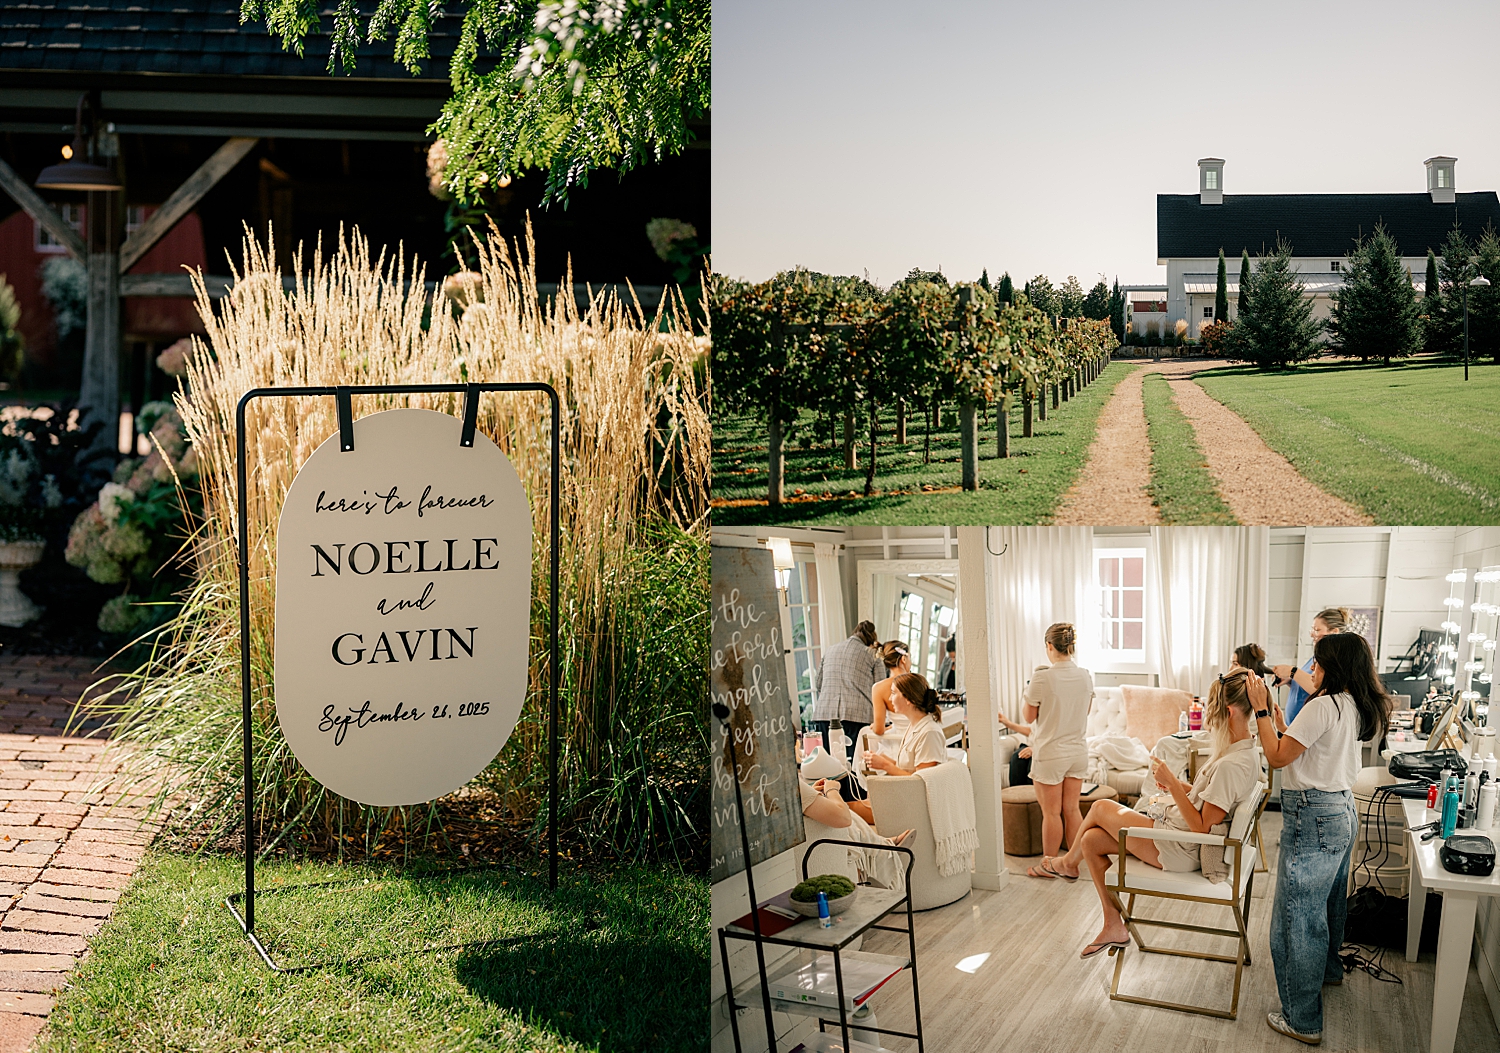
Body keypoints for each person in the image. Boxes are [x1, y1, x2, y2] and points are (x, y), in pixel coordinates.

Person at [1049, 670, 1263, 958]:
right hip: (1179, 837)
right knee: (1090, 842)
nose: (1210, 723)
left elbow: (1201, 827)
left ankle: (1067, 864)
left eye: (1212, 715)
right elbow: (1211, 803)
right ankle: (1113, 924)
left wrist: (1173, 785)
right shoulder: (1243, 752)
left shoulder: (1231, 765)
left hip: (1180, 847)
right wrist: (1182, 786)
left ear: (1227, 711)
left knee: (1099, 808)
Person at [1251, 631, 1390, 1046]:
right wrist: (1279, 722)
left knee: (1297, 920)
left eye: (1316, 662)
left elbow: (1277, 758)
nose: (1311, 669)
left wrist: (1260, 712)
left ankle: (1302, 1019)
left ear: (1332, 665)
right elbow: (1308, 746)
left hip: (1312, 816)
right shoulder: (1349, 704)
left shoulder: (1323, 705)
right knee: (1327, 905)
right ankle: (1328, 972)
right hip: (1341, 811)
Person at [1023, 623, 1094, 880]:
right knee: (1072, 809)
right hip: (1077, 751)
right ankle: (1072, 864)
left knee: (1051, 813)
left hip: (1051, 753)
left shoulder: (1042, 676)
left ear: (1049, 646)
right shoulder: (1085, 675)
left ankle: (1048, 866)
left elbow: (1029, 716)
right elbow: (1084, 711)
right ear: (1071, 646)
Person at [848, 672, 947, 826]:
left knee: (844, 810)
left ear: (908, 699)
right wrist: (886, 760)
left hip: (914, 807)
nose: (889, 699)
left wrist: (885, 766)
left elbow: (922, 783)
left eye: (893, 693)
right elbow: (910, 769)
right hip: (904, 796)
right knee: (842, 808)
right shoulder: (914, 727)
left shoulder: (929, 732)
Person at [799, 776, 913, 889]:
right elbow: (843, 818)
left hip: (811, 845)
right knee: (846, 812)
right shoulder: (792, 784)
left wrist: (812, 793)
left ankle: (880, 845)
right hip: (821, 842)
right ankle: (881, 848)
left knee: (846, 810)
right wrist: (832, 790)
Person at [812, 620, 884, 765]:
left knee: (828, 766)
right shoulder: (872, 655)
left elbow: (818, 683)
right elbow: (880, 688)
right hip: (856, 717)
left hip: (824, 715)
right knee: (855, 767)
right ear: (871, 640)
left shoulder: (830, 650)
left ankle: (832, 788)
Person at [1273, 607, 1349, 725]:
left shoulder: (1335, 660)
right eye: (1312, 629)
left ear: (1334, 632)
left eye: (1317, 630)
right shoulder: (1316, 656)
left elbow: (1321, 689)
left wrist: (1292, 672)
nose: (1313, 634)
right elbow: (1307, 683)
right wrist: (1290, 680)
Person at [870, 642, 913, 737]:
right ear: (904, 659)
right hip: (918, 740)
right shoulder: (918, 682)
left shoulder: (878, 688)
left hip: (895, 743)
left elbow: (879, 730)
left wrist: (874, 727)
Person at [997, 711, 1034, 786]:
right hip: (1033, 744)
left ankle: (1034, 796)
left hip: (1047, 748)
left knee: (1033, 763)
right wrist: (1008, 723)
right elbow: (1032, 732)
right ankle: (1017, 794)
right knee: (1017, 757)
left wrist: (1036, 750)